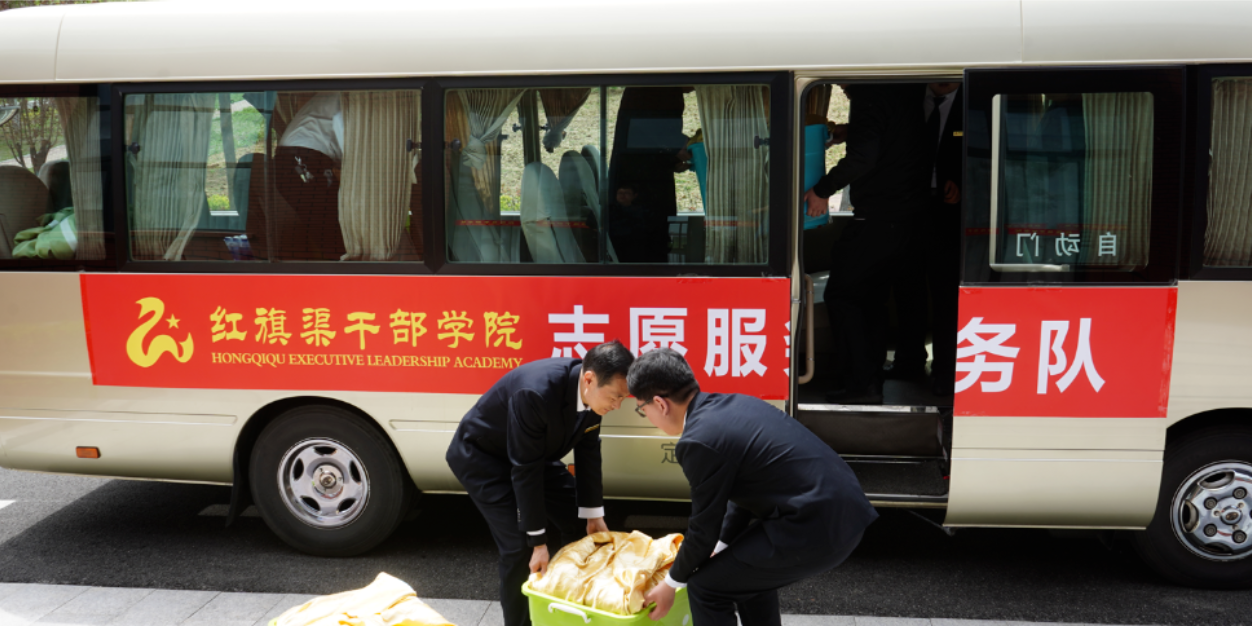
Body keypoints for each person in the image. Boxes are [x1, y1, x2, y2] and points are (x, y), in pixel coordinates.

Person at [630, 348, 877, 626]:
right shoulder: (734, 405)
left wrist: (671, 583)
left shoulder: (698, 440)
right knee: (743, 576)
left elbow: (703, 527)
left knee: (705, 587)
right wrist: (723, 544)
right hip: (842, 512)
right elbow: (737, 495)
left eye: (643, 409)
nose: (647, 415)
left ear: (660, 404)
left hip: (817, 527)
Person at [445, 341, 633, 626]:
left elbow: (588, 454)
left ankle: (570, 606)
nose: (617, 405)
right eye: (615, 397)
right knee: (519, 547)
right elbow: (524, 470)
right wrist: (538, 542)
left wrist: (593, 515)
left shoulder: (592, 394)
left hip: (532, 455)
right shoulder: (535, 392)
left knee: (580, 521)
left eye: (623, 398)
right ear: (590, 379)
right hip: (484, 458)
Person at [802, 84, 930, 404]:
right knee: (870, 300)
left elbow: (863, 157)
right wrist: (852, 130)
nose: (842, 89)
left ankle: (862, 385)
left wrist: (822, 189)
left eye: (842, 82)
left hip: (876, 218)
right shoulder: (906, 96)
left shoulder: (870, 99)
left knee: (844, 296)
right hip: (908, 217)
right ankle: (869, 381)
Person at [887, 82, 964, 394]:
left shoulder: (975, 102)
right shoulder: (908, 100)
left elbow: (988, 153)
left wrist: (963, 183)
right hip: (909, 206)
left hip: (951, 213)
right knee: (907, 286)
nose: (939, 84)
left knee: (947, 293)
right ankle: (908, 360)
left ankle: (946, 368)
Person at [607, 182, 669, 263]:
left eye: (627, 193)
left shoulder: (643, 210)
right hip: (615, 245)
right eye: (620, 193)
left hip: (638, 247)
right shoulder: (609, 210)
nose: (622, 195)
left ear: (635, 195)